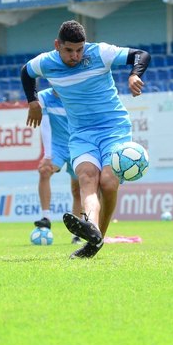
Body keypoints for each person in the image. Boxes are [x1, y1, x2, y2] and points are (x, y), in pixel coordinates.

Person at [21, 20, 150, 259]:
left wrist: (134, 75)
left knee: (109, 182)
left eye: (79, 50)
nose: (75, 56)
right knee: (87, 179)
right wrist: (33, 101)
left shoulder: (99, 52)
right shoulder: (46, 62)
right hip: (81, 133)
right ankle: (91, 229)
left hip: (114, 129)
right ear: (57, 45)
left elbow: (141, 55)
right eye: (69, 50)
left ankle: (98, 235)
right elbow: (26, 72)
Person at [34, 87, 83, 244]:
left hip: (77, 146)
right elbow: (45, 126)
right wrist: (47, 156)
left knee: (77, 191)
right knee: (44, 171)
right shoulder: (43, 96)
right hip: (58, 147)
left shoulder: (76, 94)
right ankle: (46, 217)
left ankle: (77, 232)